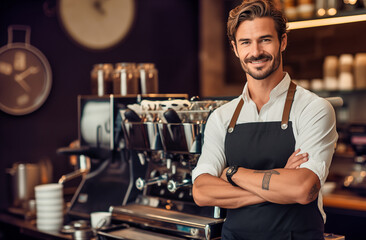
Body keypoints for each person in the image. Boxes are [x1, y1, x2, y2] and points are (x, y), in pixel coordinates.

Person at [192, 0, 338, 239]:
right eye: (246, 42)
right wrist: (279, 185)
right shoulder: (221, 117)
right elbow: (201, 191)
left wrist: (231, 173)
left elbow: (302, 189)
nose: (256, 51)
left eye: (265, 39)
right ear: (235, 48)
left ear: (283, 41)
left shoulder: (314, 109)